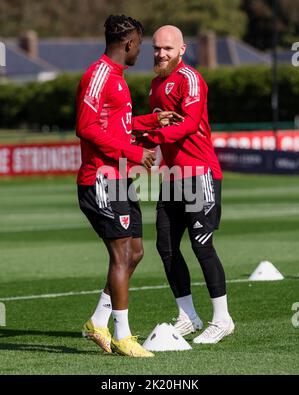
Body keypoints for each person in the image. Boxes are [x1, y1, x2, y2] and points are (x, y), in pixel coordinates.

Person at [76, 15, 180, 357]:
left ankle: (98, 321)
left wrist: (152, 121)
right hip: (101, 179)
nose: (146, 52)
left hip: (121, 178)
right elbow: (86, 127)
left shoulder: (117, 79)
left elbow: (117, 124)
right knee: (121, 254)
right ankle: (123, 336)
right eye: (142, 44)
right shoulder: (99, 74)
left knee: (135, 252)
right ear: (130, 44)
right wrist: (134, 151)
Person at [135, 25, 234, 344]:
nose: (160, 53)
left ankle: (222, 320)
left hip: (199, 173)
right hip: (172, 177)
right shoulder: (154, 85)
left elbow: (189, 124)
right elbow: (157, 127)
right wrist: (136, 135)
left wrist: (152, 136)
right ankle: (188, 316)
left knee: (202, 244)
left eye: (167, 48)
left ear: (182, 50)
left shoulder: (190, 79)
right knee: (165, 246)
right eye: (156, 48)